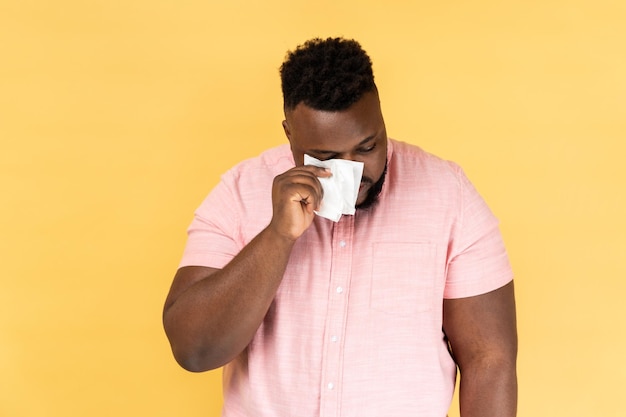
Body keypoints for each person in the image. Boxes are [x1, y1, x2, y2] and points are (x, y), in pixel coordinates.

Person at [163, 37, 517, 417]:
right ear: (289, 135)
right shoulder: (238, 193)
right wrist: (278, 236)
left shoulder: (450, 195)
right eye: (327, 157)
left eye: (367, 147)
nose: (355, 172)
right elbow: (194, 350)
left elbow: (489, 361)